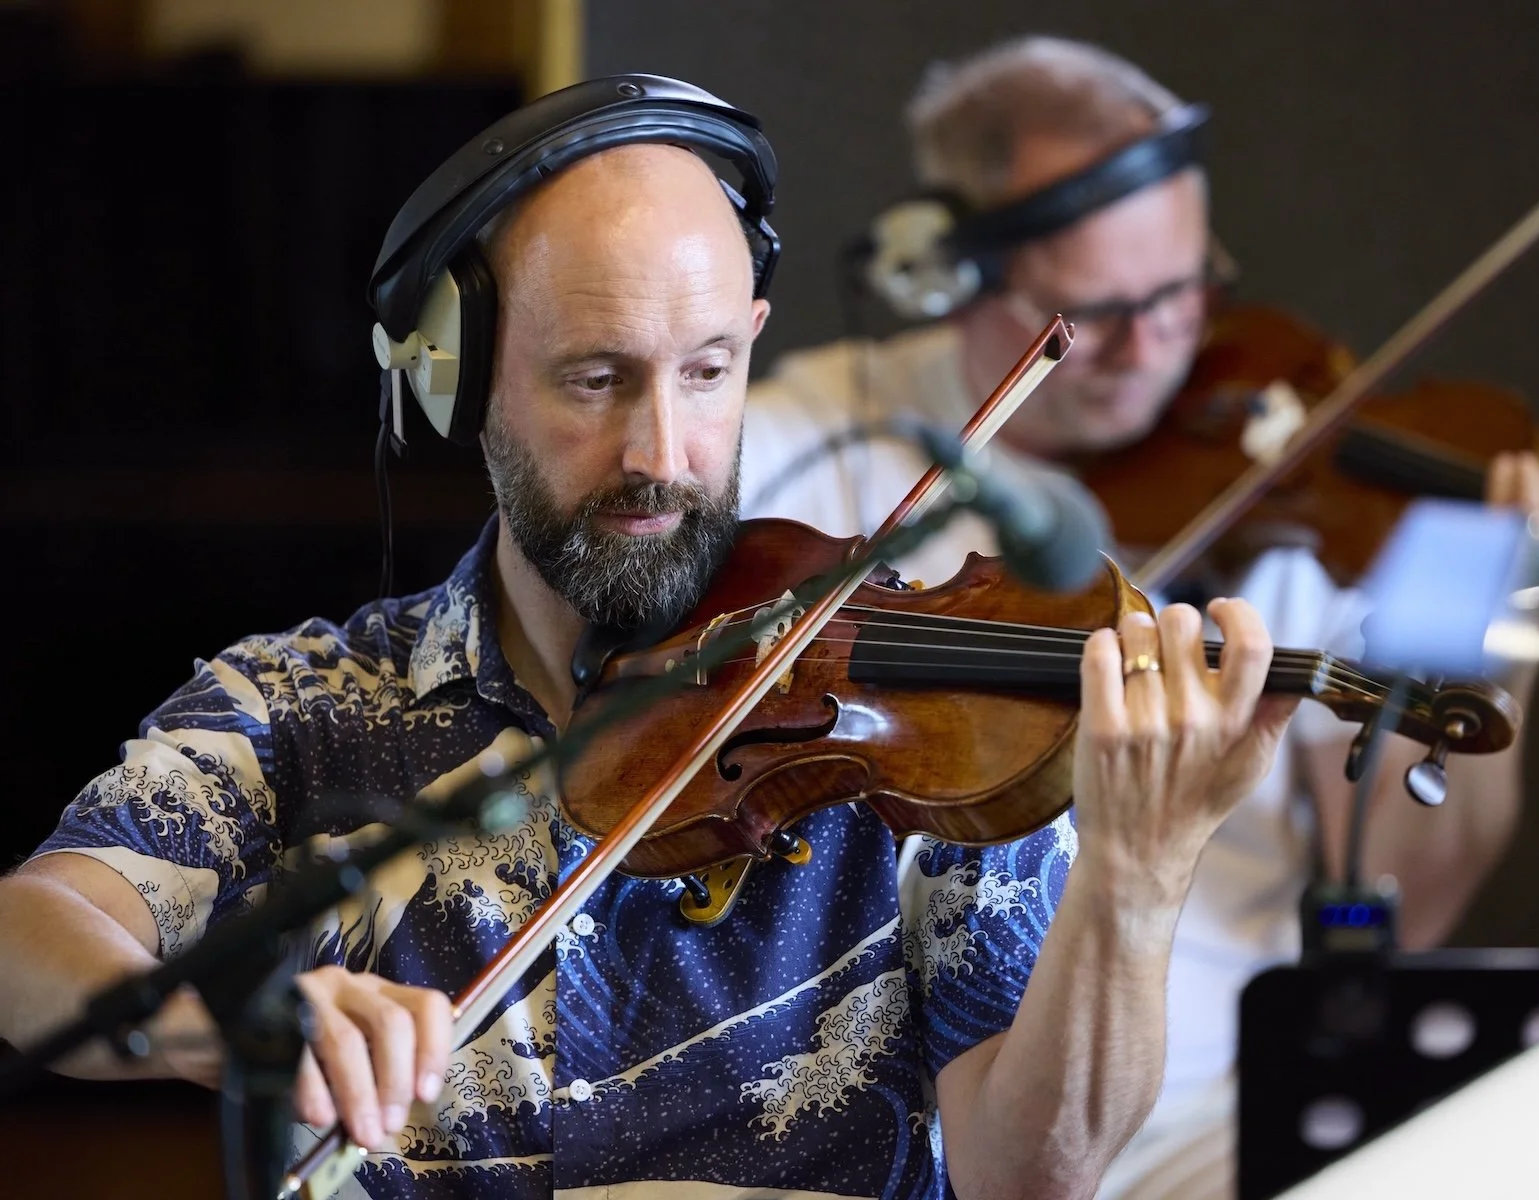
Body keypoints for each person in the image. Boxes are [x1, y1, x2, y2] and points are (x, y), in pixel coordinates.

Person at [0, 78, 1296, 1200]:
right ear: (457, 376)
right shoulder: (299, 704)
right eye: (595, 378)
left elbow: (1036, 1176)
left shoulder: (916, 738)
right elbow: (33, 933)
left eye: (706, 371)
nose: (660, 457)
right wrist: (214, 1017)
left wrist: (1138, 874)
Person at [737, 37, 1539, 1198]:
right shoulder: (811, 442)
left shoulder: (1291, 506)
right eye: (1099, 312)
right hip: (910, 1118)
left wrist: (1484, 626)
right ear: (952, 270)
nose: (1161, 345)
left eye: (1185, 288)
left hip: (1221, 1106)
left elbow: (1410, 893)